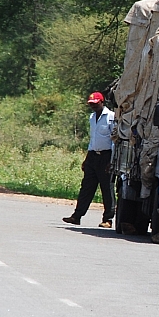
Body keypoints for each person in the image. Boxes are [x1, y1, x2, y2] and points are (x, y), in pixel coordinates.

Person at [63, 92, 115, 228]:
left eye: (95, 103)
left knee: (106, 189)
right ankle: (77, 216)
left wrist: (112, 160)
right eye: (91, 104)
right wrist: (87, 159)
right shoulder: (92, 117)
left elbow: (115, 140)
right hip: (93, 156)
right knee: (86, 187)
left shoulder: (111, 117)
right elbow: (93, 140)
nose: (93, 106)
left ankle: (108, 219)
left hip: (106, 156)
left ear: (102, 102)